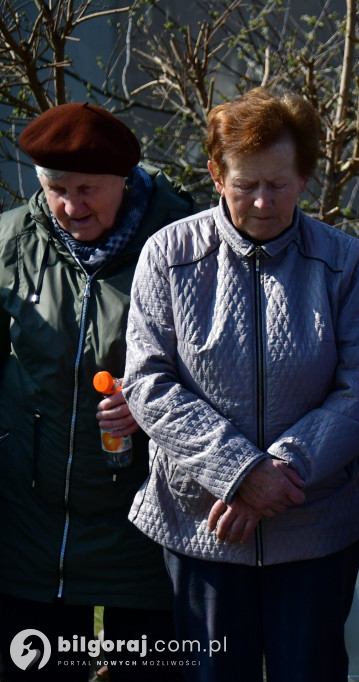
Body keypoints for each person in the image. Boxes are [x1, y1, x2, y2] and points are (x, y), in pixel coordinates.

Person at [122, 88, 359, 682]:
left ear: (306, 178)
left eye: (279, 184)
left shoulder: (341, 260)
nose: (263, 201)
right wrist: (239, 474)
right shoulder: (169, 254)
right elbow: (147, 380)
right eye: (245, 184)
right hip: (203, 524)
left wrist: (278, 474)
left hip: (312, 526)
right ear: (216, 174)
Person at [0, 102, 195, 681]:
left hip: (146, 532)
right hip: (27, 536)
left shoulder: (184, 244)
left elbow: (221, 374)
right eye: (56, 188)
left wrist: (154, 399)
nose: (70, 206)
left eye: (88, 189)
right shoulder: (10, 242)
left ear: (126, 180)